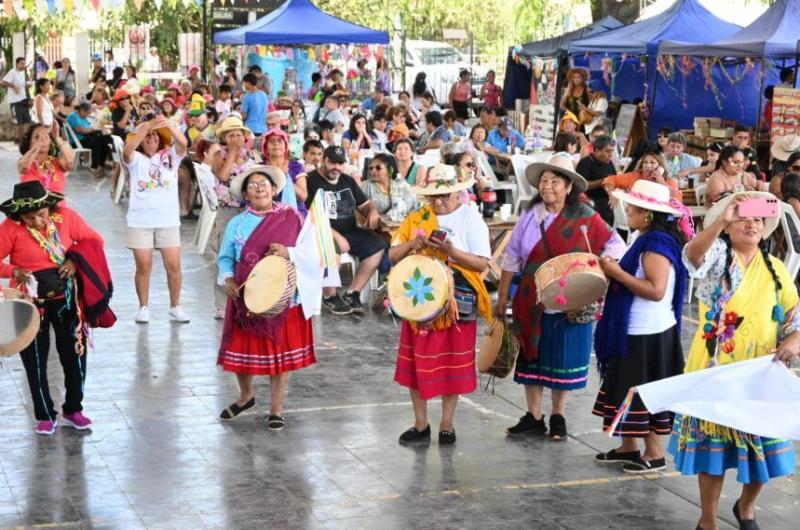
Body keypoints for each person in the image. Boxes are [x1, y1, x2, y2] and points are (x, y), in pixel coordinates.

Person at [677, 192, 800, 530]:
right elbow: (692, 255)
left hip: (760, 376)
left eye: (758, 220)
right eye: (743, 217)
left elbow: (795, 315)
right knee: (713, 458)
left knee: (764, 452)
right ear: (730, 225)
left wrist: (794, 338)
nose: (751, 224)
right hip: (715, 373)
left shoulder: (776, 269)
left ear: (765, 229)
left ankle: (746, 508)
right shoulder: (718, 256)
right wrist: (721, 218)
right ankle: (707, 520)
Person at [496, 152, 626, 441]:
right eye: (544, 180)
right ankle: (533, 415)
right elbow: (512, 257)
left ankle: (558, 415)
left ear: (569, 187)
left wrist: (598, 270)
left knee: (561, 358)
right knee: (532, 356)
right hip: (532, 298)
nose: (548, 186)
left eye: (555, 181)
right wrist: (503, 295)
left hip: (571, 298)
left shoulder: (586, 217)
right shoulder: (530, 217)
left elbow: (615, 244)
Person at [592, 180, 690, 472]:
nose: (627, 211)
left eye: (632, 207)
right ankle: (628, 447)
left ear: (647, 213)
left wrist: (615, 273)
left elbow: (655, 290)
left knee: (644, 391)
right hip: (637, 329)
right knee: (628, 388)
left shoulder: (656, 245)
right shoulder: (645, 237)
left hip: (648, 332)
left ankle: (654, 453)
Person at [390, 164, 491, 445]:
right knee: (416, 363)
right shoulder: (417, 218)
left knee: (451, 363)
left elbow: (482, 263)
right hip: (419, 296)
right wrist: (413, 244)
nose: (439, 201)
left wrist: (452, 253)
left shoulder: (471, 219)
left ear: (458, 193)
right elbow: (393, 254)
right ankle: (420, 423)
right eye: (433, 196)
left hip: (457, 301)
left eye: (445, 195)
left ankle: (447, 423)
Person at [0, 181, 106, 434]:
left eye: (41, 214)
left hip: (67, 299)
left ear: (50, 208)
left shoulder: (66, 218)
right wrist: (13, 270)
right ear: (19, 215)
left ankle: (73, 409)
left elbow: (94, 241)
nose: (37, 221)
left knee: (74, 354)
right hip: (29, 302)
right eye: (29, 217)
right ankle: (45, 413)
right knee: (35, 359)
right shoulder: (10, 228)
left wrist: (74, 259)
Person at [215, 165, 315, 430]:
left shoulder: (293, 218)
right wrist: (228, 279)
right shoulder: (236, 223)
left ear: (274, 190)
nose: (259, 188)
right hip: (246, 299)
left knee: (280, 357)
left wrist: (288, 252)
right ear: (246, 195)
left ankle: (276, 408)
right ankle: (246, 396)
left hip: (283, 298)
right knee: (240, 352)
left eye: (264, 184)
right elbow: (225, 257)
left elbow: (312, 250)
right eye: (252, 185)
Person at [122, 116, 190, 324]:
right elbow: (127, 150)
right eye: (147, 137)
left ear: (161, 140)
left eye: (155, 136)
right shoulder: (135, 160)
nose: (151, 139)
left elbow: (184, 143)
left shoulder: (170, 157)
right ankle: (143, 307)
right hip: (140, 221)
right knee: (144, 267)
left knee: (174, 266)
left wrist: (167, 126)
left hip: (167, 220)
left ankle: (175, 306)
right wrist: (144, 129)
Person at [304, 146, 385, 315]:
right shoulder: (310, 181)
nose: (336, 167)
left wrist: (372, 211)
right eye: (332, 162)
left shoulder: (347, 180)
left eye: (340, 163)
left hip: (350, 231)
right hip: (321, 233)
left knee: (378, 245)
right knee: (331, 248)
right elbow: (311, 216)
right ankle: (330, 296)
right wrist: (337, 236)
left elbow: (365, 204)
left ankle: (352, 292)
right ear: (324, 160)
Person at [210, 116, 262, 317]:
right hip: (228, 210)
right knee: (226, 254)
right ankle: (222, 305)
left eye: (238, 135)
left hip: (250, 210)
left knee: (251, 255)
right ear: (224, 137)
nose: (235, 138)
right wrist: (231, 153)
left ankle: (251, 300)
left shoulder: (253, 155)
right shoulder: (218, 155)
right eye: (230, 135)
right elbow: (222, 176)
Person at [18, 123, 75, 194]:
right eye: (36, 137)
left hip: (58, 205)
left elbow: (70, 163)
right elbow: (24, 168)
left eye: (46, 136)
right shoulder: (23, 161)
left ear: (50, 142)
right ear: (29, 143)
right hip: (34, 204)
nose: (42, 139)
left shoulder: (58, 162)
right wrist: (39, 144)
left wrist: (57, 138)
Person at [603, 150, 681, 200]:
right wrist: (611, 193)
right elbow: (609, 179)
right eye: (645, 162)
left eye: (652, 162)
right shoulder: (635, 176)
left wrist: (663, 184)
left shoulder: (668, 181)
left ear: (661, 166)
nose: (647, 165)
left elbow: (678, 199)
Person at [576, 134, 617, 225]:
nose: (611, 155)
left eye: (612, 151)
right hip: (589, 202)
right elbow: (582, 185)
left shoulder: (609, 163)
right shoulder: (586, 163)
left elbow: (614, 179)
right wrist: (603, 181)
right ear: (597, 150)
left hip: (607, 203)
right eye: (608, 151)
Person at [261, 128, 306, 210]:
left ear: (286, 146)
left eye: (279, 141)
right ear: (266, 148)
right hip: (267, 213)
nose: (275, 144)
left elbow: (303, 197)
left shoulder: (296, 166)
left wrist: (284, 176)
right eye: (271, 141)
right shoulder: (259, 168)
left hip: (295, 214)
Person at [66, 102, 113, 178]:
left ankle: (101, 165)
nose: (87, 115)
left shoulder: (83, 117)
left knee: (107, 139)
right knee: (97, 142)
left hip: (86, 138)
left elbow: (89, 128)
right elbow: (80, 130)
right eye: (87, 113)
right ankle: (95, 167)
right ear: (82, 110)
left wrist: (98, 130)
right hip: (77, 141)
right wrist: (93, 129)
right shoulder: (73, 116)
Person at [2, 57, 32, 143]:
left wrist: (28, 86)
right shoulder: (12, 72)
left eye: (24, 63)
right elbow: (3, 82)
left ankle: (24, 138)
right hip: (15, 102)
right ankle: (17, 139)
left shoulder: (23, 73)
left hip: (24, 100)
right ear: (17, 64)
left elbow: (23, 85)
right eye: (22, 63)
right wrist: (14, 86)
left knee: (27, 121)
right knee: (18, 122)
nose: (23, 65)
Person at [240, 73, 268, 139]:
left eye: (244, 83)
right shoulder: (264, 94)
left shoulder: (247, 97)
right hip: (263, 129)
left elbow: (243, 115)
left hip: (251, 129)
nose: (243, 85)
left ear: (248, 83)